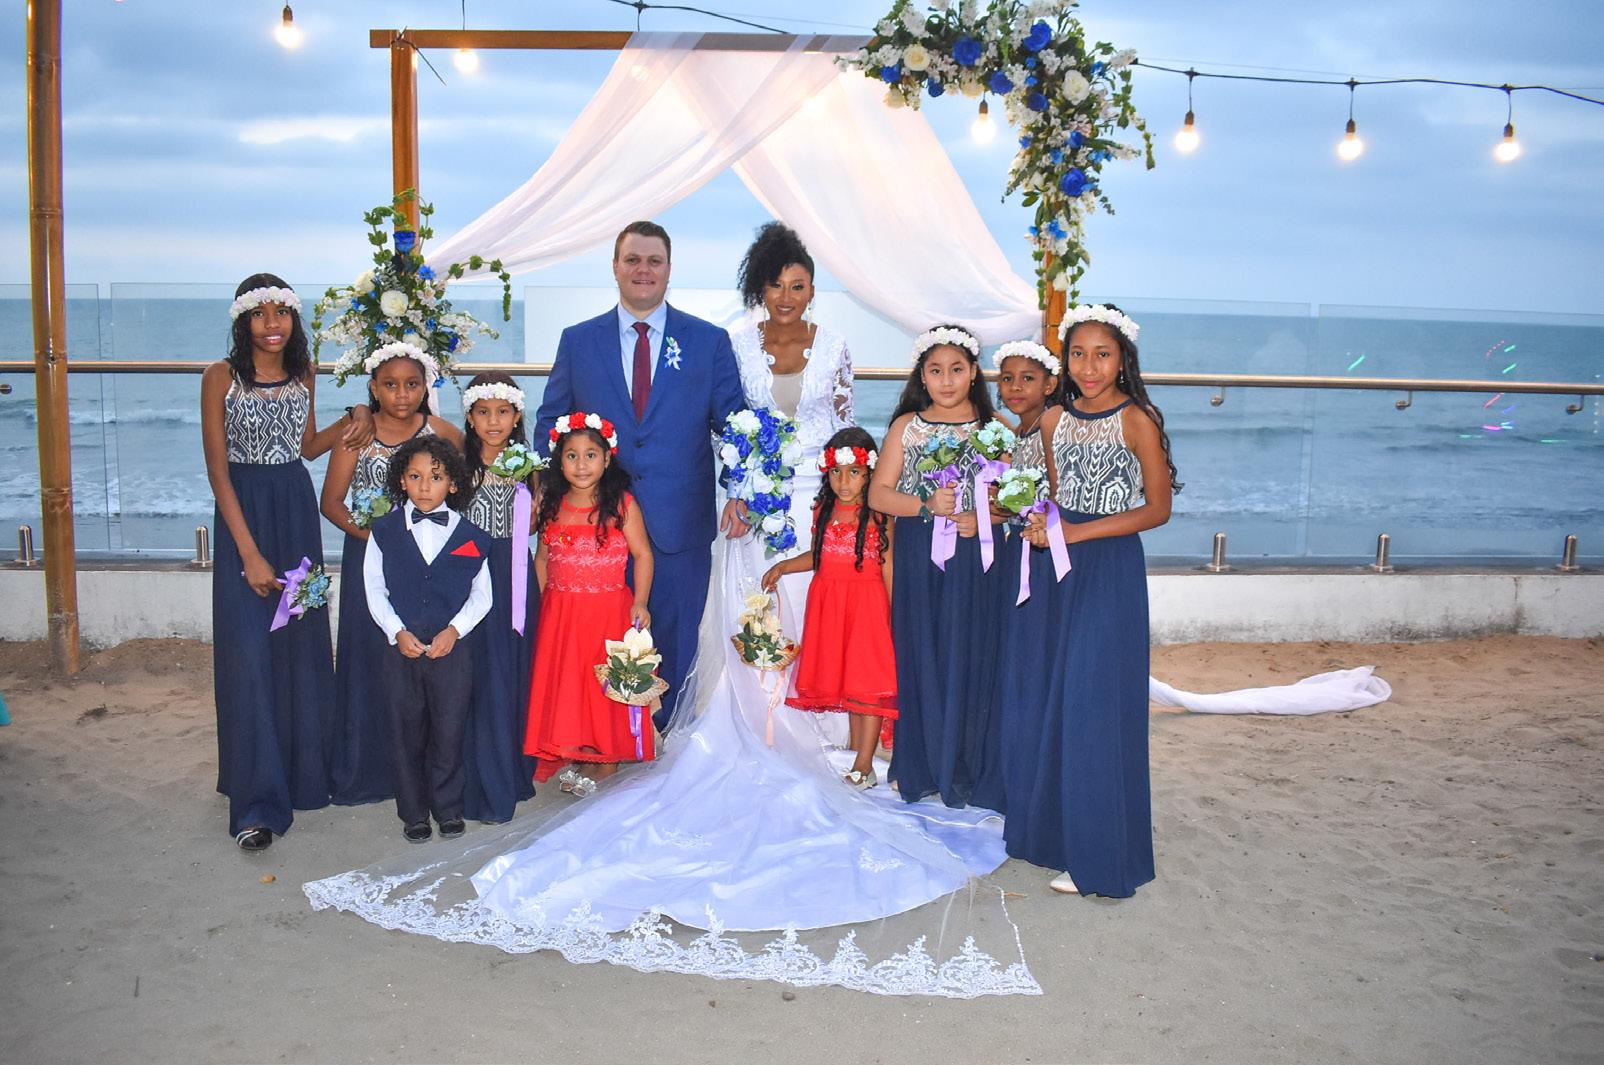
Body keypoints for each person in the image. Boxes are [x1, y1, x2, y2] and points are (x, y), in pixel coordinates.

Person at [534, 221, 744, 728]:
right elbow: (550, 424)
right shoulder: (578, 341)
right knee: (596, 640)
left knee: (673, 638)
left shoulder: (709, 341)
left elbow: (736, 427)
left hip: (680, 523)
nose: (643, 270)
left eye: (654, 260)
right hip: (595, 527)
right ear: (615, 267)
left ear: (669, 269)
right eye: (632, 259)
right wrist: (546, 490)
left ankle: (664, 741)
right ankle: (601, 741)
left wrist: (740, 492)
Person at [201, 274, 371, 851]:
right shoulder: (219, 377)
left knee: (300, 648)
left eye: (282, 313)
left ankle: (303, 778)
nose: (272, 324)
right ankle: (256, 804)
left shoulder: (304, 373)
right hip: (245, 518)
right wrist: (248, 552)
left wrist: (355, 415)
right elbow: (218, 471)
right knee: (249, 658)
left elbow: (304, 447)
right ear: (242, 320)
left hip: (296, 516)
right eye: (260, 313)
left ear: (295, 320)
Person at [1013, 304, 1178, 897]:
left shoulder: (1138, 419)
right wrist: (1039, 520)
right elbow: (1057, 495)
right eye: (1078, 354)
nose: (1089, 367)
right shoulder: (1053, 420)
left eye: (1102, 355)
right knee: (1058, 697)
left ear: (1123, 359)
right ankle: (1058, 837)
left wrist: (1076, 534)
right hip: (1058, 571)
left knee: (1096, 702)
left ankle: (1102, 862)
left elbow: (1157, 509)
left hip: (1109, 570)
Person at [868, 325, 1006, 812]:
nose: (946, 380)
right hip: (920, 555)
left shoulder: (995, 428)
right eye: (935, 370)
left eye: (956, 369)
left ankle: (966, 766)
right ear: (921, 376)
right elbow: (878, 494)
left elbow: (1018, 496)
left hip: (976, 557)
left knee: (972, 653)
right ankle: (922, 765)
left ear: (974, 373)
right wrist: (924, 505)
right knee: (922, 652)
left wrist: (986, 517)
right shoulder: (907, 426)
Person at [321, 343, 464, 806]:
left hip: (428, 566)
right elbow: (331, 502)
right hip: (371, 556)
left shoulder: (445, 433)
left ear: (426, 387)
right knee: (370, 661)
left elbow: (463, 495)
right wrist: (381, 539)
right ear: (373, 387)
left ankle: (429, 770)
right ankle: (368, 769)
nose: (401, 394)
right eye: (390, 385)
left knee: (425, 665)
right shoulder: (357, 434)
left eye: (411, 384)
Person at [364, 435, 492, 843]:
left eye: (435, 478)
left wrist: (455, 630)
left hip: (452, 653)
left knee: (449, 731)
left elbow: (482, 595)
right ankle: (414, 813)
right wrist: (396, 630)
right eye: (415, 476)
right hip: (400, 652)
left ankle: (448, 808)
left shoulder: (472, 535)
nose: (424, 486)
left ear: (452, 484)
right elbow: (374, 589)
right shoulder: (383, 532)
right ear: (402, 480)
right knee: (406, 733)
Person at [523, 414, 655, 789]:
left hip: (607, 612)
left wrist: (641, 602)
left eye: (591, 455)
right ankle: (579, 749)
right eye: (572, 456)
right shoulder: (552, 504)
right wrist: (542, 604)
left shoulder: (622, 504)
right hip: (562, 612)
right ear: (559, 461)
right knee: (571, 683)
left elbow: (643, 554)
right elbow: (542, 559)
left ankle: (606, 757)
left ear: (607, 458)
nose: (581, 465)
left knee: (601, 684)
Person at [762, 428, 895, 789]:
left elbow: (888, 566)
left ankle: (864, 764)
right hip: (831, 605)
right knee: (850, 684)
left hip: (867, 607)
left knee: (867, 684)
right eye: (836, 472)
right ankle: (857, 753)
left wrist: (893, 613)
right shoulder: (824, 509)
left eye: (854, 472)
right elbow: (819, 555)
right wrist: (784, 566)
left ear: (870, 472)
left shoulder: (879, 513)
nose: (844, 481)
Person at [460, 372, 541, 823]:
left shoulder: (527, 467)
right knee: (476, 674)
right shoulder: (458, 466)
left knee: (512, 671)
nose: (493, 421)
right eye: (484, 412)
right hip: (471, 572)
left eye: (503, 412)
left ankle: (511, 767)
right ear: (470, 417)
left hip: (514, 575)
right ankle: (475, 776)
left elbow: (532, 527)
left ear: (516, 416)